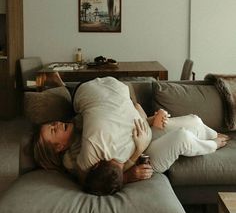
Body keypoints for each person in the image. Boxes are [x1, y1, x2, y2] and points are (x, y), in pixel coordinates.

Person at [33, 77, 229, 195]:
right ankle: (213, 146)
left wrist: (152, 119)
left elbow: (124, 120)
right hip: (143, 156)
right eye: (53, 130)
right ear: (58, 147)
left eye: (53, 123)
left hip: (143, 134)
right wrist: (132, 166)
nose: (56, 124)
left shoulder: (79, 121)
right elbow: (98, 183)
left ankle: (220, 137)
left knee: (194, 120)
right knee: (182, 137)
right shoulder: (72, 160)